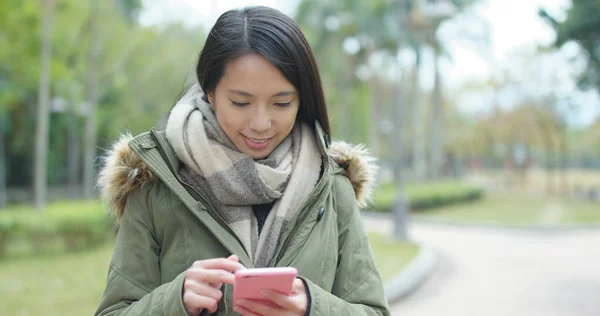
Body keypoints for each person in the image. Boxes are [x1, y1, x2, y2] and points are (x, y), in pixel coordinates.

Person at [95, 6, 390, 316]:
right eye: (241, 102)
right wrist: (176, 299)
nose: (260, 123)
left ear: (302, 98)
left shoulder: (332, 188)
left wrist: (312, 308)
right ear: (210, 92)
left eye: (281, 103)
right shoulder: (154, 184)